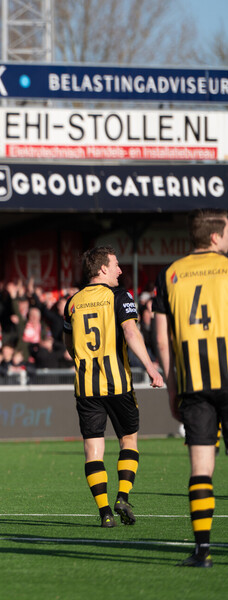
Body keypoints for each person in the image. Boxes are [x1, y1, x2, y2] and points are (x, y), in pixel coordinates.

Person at [64, 246, 163, 529]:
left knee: (92, 450)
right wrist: (151, 367)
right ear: (103, 268)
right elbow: (131, 331)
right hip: (118, 384)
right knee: (128, 440)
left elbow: (69, 345)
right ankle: (122, 496)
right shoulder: (120, 296)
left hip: (86, 388)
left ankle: (105, 513)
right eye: (116, 265)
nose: (120, 270)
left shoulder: (72, 302)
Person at [153, 208, 228, 568]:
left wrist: (172, 389)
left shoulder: (170, 273)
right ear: (214, 236)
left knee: (201, 468)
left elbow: (162, 340)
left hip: (193, 385)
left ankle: (202, 551)